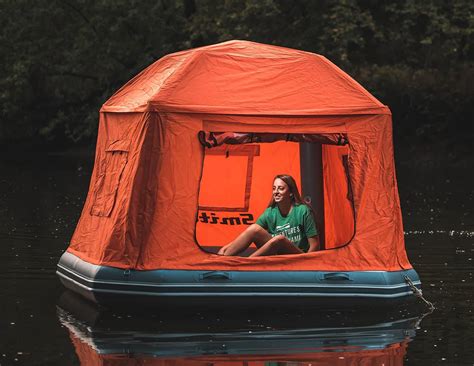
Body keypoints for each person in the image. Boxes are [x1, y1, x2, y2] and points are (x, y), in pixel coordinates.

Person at [218, 174, 320, 257]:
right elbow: (251, 232)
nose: (276, 192)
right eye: (274, 188)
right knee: (254, 229)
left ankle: (248, 263)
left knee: (279, 239)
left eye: (280, 188)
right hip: (276, 255)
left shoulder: (302, 211)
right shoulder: (270, 212)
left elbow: (315, 245)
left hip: (297, 257)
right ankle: (223, 260)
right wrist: (226, 248)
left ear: (291, 193)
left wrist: (306, 264)